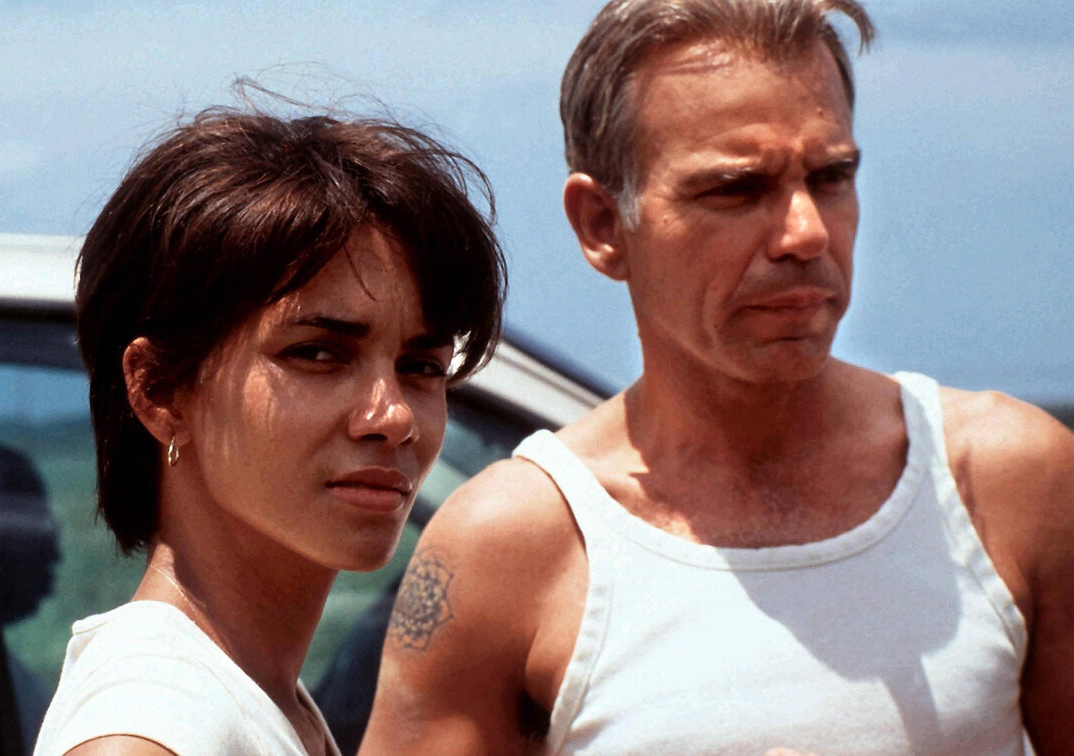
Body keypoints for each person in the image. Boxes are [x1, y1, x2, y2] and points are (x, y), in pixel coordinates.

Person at [362, 1, 1074, 754]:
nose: (806, 232)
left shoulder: (1005, 480)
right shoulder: (516, 544)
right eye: (737, 190)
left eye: (832, 176)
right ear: (602, 225)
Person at [33, 101, 505, 756]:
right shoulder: (150, 724)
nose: (393, 416)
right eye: (316, 354)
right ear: (159, 391)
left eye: (421, 366)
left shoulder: (250, 696)